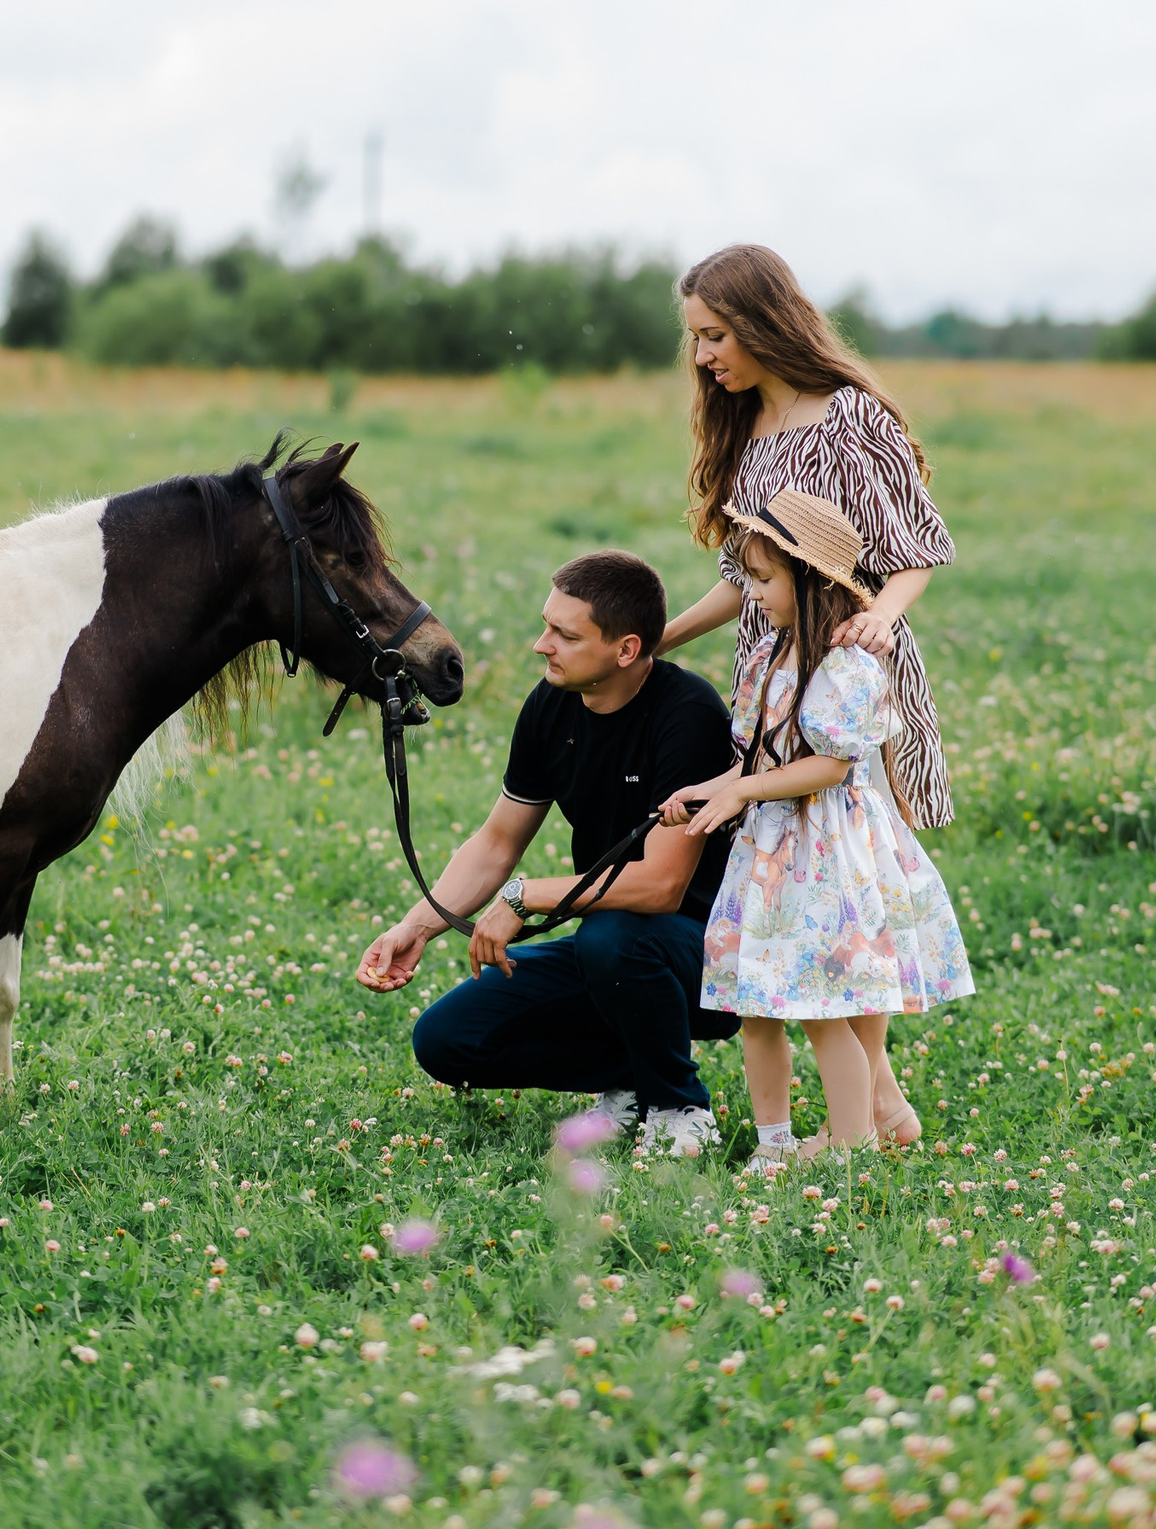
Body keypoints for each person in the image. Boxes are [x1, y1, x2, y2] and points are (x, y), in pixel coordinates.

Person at [658, 243, 959, 1147]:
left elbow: (912, 553)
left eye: (715, 334)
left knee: (847, 895)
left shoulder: (851, 418)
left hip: (845, 674)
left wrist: (876, 620)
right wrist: (651, 644)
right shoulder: (746, 427)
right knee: (823, 900)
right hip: (772, 691)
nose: (705, 356)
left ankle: (871, 1111)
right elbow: (738, 578)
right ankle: (880, 1106)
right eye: (696, 338)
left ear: (761, 320)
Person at [356, 550, 741, 1159]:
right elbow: (497, 841)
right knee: (448, 1039)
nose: (542, 646)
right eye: (546, 625)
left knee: (613, 935)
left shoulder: (687, 714)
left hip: (708, 959)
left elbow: (661, 886)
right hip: (612, 954)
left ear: (626, 649)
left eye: (564, 634)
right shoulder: (551, 704)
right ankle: (629, 1079)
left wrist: (525, 896)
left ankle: (678, 1105)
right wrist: (417, 926)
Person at [662, 490, 973, 1176]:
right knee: (758, 1002)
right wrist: (712, 787)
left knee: (827, 1003)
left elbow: (830, 766)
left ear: (811, 578)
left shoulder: (848, 667)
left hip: (828, 851)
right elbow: (758, 756)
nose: (753, 594)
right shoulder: (772, 652)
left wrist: (741, 789)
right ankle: (775, 1140)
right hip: (772, 848)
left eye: (765, 579)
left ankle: (851, 1142)